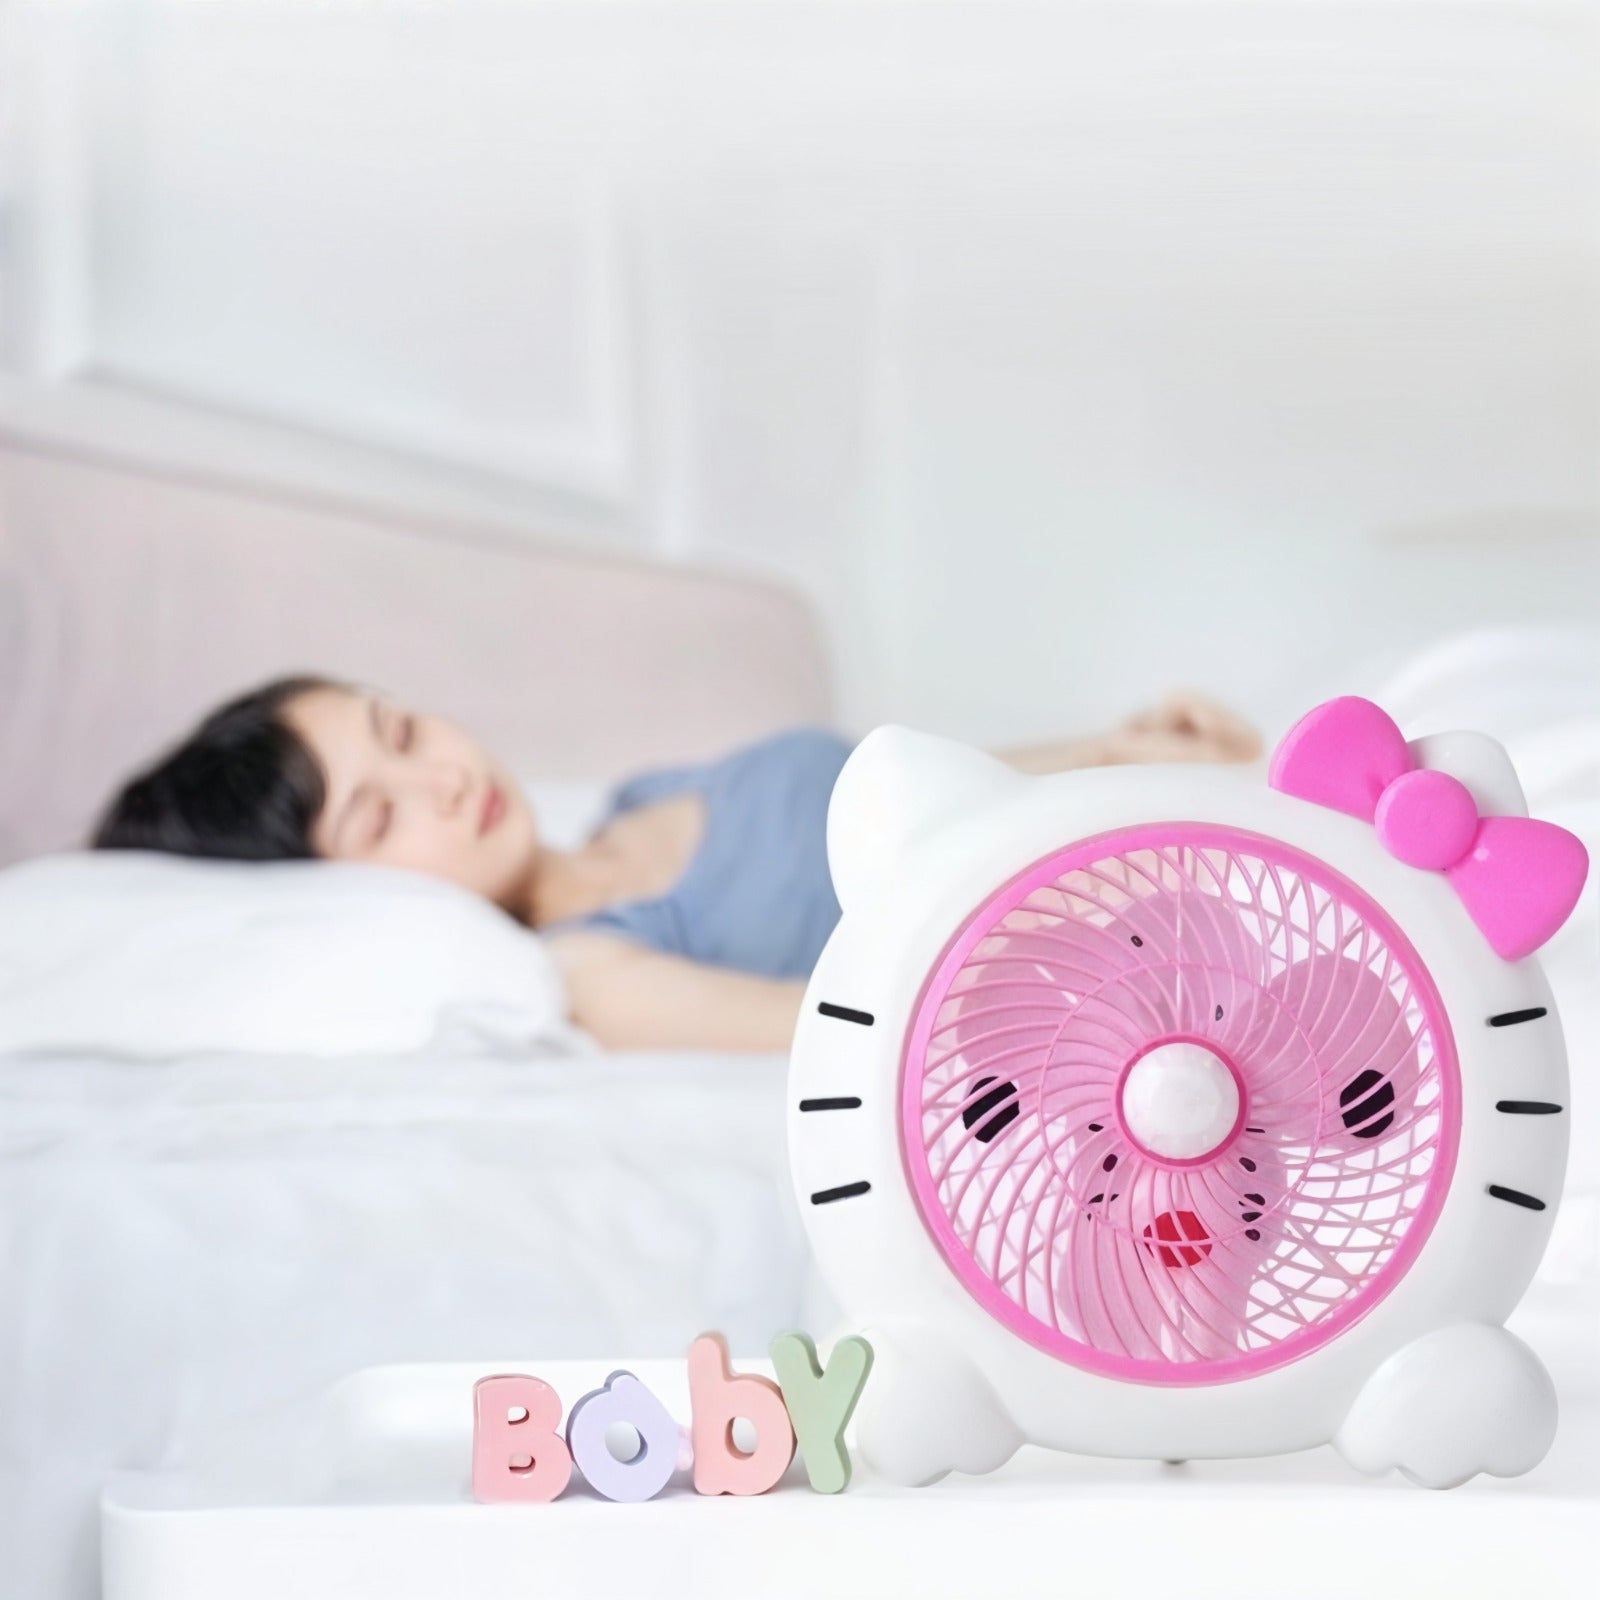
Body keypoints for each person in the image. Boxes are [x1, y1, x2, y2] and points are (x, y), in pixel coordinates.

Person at [92, 678, 1260, 1049]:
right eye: (377, 816)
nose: (441, 776)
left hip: (1129, 836)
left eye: (402, 733)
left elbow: (906, 786)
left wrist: (1114, 749)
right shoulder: (595, 970)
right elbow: (866, 1025)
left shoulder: (636, 798)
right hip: (1134, 953)